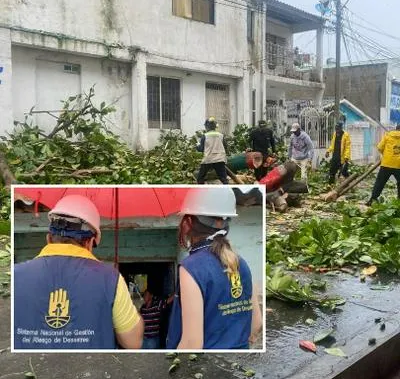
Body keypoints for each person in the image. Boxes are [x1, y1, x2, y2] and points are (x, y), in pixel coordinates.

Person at [14, 195, 144, 350]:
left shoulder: (15, 275)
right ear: (89, 243)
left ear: (48, 238)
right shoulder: (111, 279)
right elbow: (133, 342)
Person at [166, 188, 263, 349]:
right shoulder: (241, 262)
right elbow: (256, 324)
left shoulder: (191, 268)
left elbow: (192, 344)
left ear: (188, 223)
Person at [366, 124, 400, 206]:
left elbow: (380, 147)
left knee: (380, 182)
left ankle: (372, 199)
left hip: (386, 163)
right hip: (398, 165)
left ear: (396, 129)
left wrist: (385, 155)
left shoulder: (388, 135)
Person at [197, 117, 229, 184]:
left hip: (208, 159)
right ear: (215, 127)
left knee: (200, 178)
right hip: (220, 159)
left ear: (206, 126)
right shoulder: (221, 135)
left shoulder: (205, 136)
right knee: (224, 179)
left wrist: (196, 146)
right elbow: (226, 147)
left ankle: (202, 192)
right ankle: (227, 191)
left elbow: (201, 149)